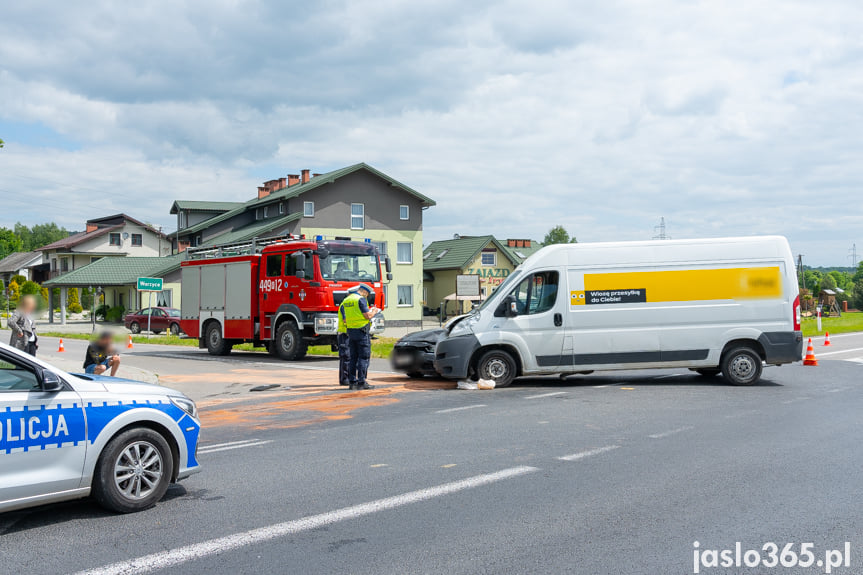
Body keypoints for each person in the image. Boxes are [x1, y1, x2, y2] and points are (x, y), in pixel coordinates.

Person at [340, 283, 381, 390]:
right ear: (364, 291)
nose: (366, 297)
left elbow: (345, 319)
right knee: (363, 357)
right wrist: (374, 311)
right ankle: (362, 381)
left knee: (353, 358)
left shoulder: (346, 300)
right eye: (367, 294)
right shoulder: (360, 299)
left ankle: (352, 382)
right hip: (362, 332)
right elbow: (367, 316)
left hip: (351, 332)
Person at [336, 302, 350, 386]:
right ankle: (344, 379)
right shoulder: (345, 305)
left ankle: (347, 378)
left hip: (348, 334)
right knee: (346, 356)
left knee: (348, 357)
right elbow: (345, 320)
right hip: (344, 334)